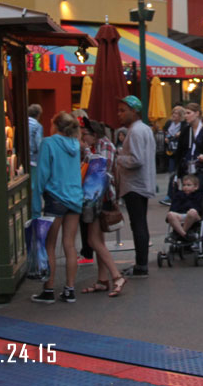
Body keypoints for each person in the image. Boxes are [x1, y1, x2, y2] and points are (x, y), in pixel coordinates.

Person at [31, 112, 84, 303]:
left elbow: (42, 174)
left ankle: (49, 289)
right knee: (69, 245)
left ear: (55, 126)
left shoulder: (49, 143)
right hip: (75, 198)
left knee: (50, 245)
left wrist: (36, 205)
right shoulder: (75, 145)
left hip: (55, 197)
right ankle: (70, 289)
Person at [78, 118, 125, 297]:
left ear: (94, 135)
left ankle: (116, 276)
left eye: (85, 136)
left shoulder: (105, 146)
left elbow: (100, 171)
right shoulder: (98, 145)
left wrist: (85, 154)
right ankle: (102, 279)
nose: (84, 139)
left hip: (100, 197)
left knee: (93, 241)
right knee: (99, 241)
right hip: (99, 197)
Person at [116, 95, 156, 278]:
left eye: (123, 110)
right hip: (141, 183)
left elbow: (136, 160)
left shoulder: (136, 131)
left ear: (134, 111)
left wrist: (119, 157)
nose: (120, 114)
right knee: (140, 223)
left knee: (138, 224)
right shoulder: (143, 129)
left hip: (135, 184)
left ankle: (141, 265)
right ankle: (141, 263)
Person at [167, 174, 203, 239]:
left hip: (194, 216)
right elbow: (173, 208)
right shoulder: (179, 195)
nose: (185, 187)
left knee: (192, 212)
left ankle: (181, 233)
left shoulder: (199, 195)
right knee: (170, 214)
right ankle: (184, 234)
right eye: (184, 185)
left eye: (188, 185)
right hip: (182, 215)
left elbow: (199, 208)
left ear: (196, 187)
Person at [27, 103, 44, 168]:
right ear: (38, 115)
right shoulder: (37, 126)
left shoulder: (23, 123)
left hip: (24, 159)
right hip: (34, 159)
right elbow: (39, 144)